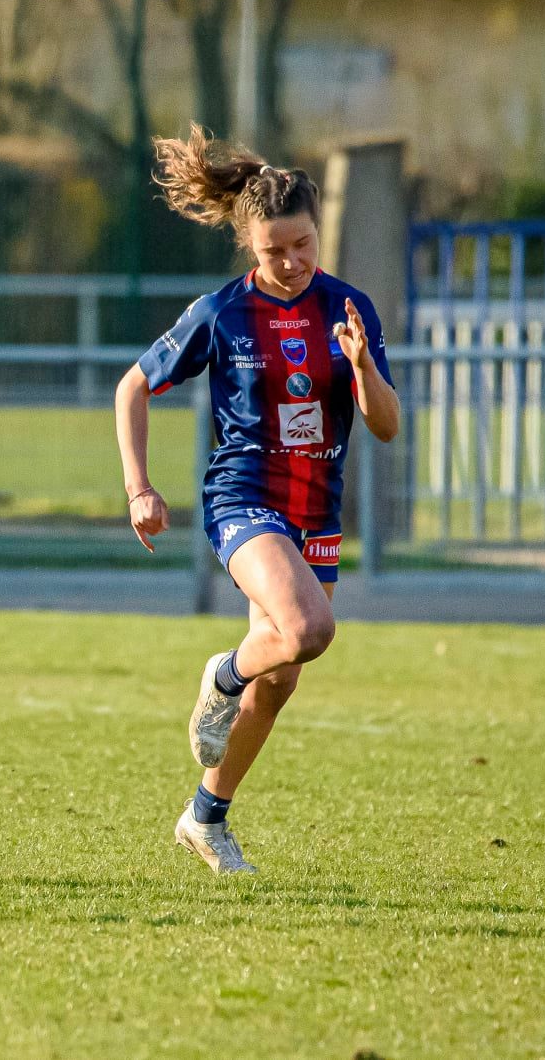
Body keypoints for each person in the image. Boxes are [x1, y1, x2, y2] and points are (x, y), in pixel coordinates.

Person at [114, 125, 400, 874]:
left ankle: (204, 817)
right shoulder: (222, 313)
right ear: (249, 245)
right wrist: (138, 486)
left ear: (316, 233)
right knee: (308, 628)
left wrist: (362, 367)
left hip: (316, 509)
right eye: (274, 251)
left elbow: (387, 426)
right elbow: (133, 386)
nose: (291, 261)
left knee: (278, 683)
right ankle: (220, 675)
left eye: (301, 245)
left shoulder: (347, 309)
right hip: (242, 500)